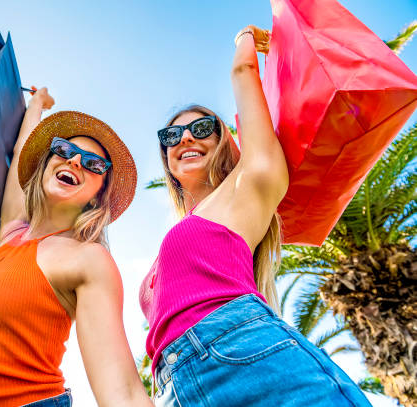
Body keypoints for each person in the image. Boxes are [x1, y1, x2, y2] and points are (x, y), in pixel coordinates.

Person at [139, 26, 372, 406]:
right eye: (172, 135)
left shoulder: (249, 186)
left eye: (201, 128)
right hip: (175, 385)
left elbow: (243, 73)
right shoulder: (184, 230)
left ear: (226, 142)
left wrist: (245, 39)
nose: (184, 139)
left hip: (241, 352)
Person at [0, 88, 153, 407]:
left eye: (93, 164)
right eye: (63, 149)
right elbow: (22, 149)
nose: (75, 160)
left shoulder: (87, 259)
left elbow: (123, 393)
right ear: (46, 162)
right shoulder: (11, 232)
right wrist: (37, 104)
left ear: (97, 194)